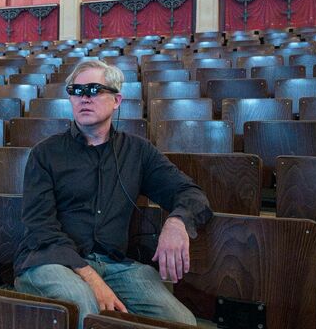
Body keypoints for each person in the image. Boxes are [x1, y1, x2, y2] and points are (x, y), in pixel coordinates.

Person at [13, 60, 212, 327]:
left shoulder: (138, 152)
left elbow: (190, 193)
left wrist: (177, 222)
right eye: (76, 90)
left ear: (116, 100)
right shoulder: (45, 153)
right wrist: (90, 277)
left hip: (117, 266)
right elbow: (40, 227)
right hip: (51, 260)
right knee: (85, 306)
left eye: (94, 90)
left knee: (181, 321)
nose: (84, 97)